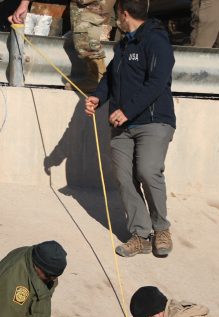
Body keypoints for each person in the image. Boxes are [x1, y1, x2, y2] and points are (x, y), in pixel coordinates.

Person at [85, 0, 177, 259]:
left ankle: (161, 229)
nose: (117, 20)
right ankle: (141, 234)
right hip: (122, 126)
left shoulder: (156, 40)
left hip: (153, 121)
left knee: (147, 171)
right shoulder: (124, 44)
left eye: (117, 15)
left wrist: (127, 110)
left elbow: (158, 82)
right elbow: (111, 78)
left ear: (124, 14)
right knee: (124, 178)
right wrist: (98, 98)